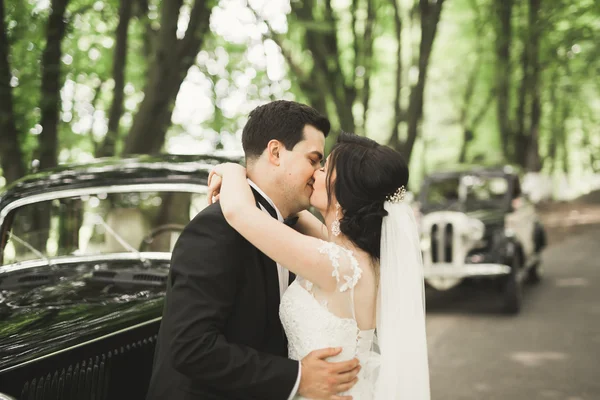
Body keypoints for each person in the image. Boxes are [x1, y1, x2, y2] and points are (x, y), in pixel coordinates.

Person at [145, 101, 361, 400]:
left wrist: (234, 173)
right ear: (275, 153)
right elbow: (191, 346)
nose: (316, 173)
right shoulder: (216, 228)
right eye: (313, 159)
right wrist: (297, 377)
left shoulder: (287, 230)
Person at [208, 132, 431, 399]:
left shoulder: (338, 266)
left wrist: (231, 170)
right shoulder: (354, 257)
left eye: (324, 167)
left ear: (344, 190)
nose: (314, 172)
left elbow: (238, 212)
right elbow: (295, 213)